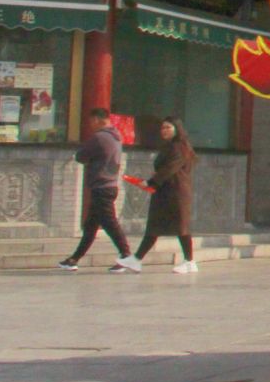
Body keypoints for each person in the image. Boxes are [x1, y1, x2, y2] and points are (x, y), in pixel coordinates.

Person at [59, 107, 132, 271]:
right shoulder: (116, 136)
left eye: (91, 121)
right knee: (90, 226)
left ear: (97, 120)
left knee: (110, 223)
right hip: (110, 184)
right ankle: (74, 259)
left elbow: (81, 156)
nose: (90, 125)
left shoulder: (99, 137)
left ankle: (126, 255)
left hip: (101, 186)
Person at [119, 118, 196, 273]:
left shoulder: (179, 147)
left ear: (177, 129)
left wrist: (151, 182)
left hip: (176, 193)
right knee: (154, 226)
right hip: (164, 191)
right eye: (162, 128)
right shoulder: (169, 146)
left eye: (168, 127)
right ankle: (136, 259)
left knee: (181, 227)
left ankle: (189, 261)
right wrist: (153, 182)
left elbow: (170, 169)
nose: (164, 130)